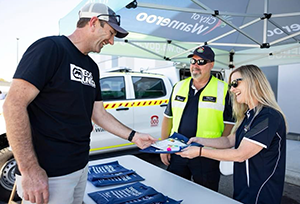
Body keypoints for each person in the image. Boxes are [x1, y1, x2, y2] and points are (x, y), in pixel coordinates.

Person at [3, 3, 156, 204]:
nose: (111, 41)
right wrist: (29, 169)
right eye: (110, 33)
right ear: (93, 22)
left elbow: (99, 113)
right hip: (49, 174)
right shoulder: (51, 48)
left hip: (81, 166)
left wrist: (134, 136)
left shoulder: (92, 67)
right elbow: (13, 105)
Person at [177, 64, 287, 204]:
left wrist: (199, 151)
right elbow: (230, 140)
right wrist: (200, 140)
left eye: (235, 83)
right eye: (230, 85)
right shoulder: (248, 115)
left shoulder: (268, 116)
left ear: (254, 81)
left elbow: (240, 154)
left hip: (261, 193)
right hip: (243, 190)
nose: (232, 89)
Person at [160, 45, 234, 191]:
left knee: (205, 195)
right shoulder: (178, 86)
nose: (195, 66)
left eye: (201, 62)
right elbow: (168, 118)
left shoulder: (224, 89)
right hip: (178, 151)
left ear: (211, 65)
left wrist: (218, 151)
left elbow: (229, 125)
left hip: (206, 155)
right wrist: (164, 148)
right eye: (193, 61)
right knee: (174, 191)